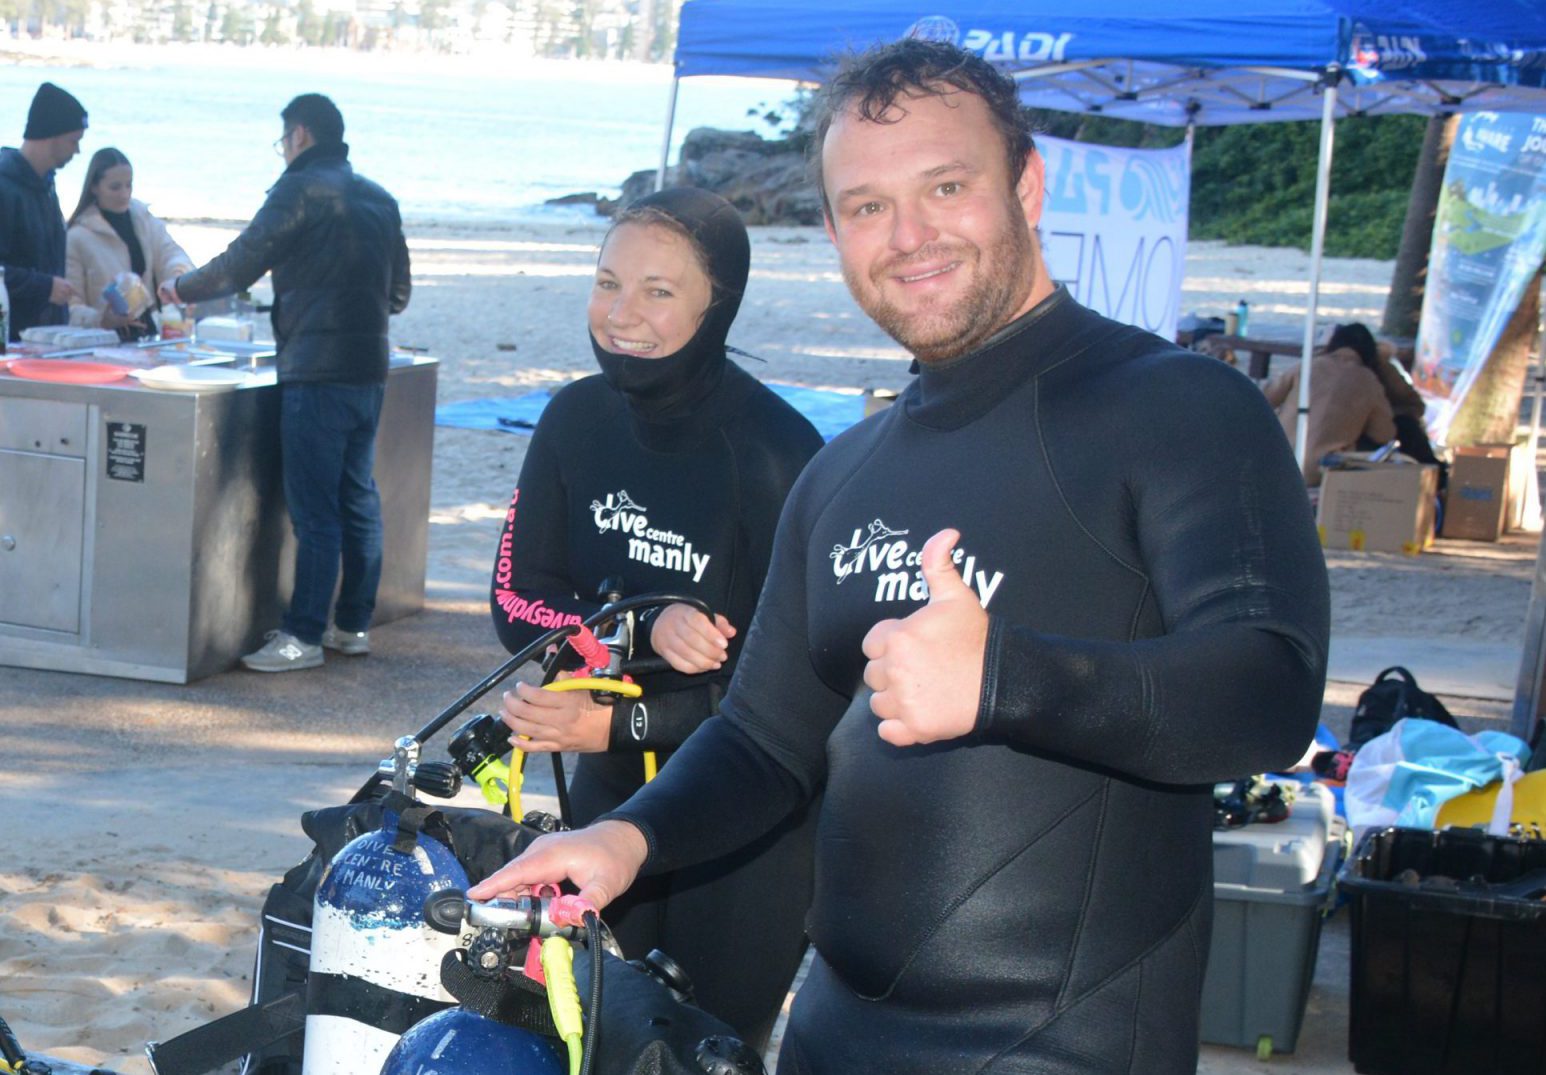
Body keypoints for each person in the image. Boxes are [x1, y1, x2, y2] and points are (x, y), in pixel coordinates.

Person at [471, 40, 1329, 1074]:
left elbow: (1270, 691)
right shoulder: (845, 475)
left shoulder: (1177, 407)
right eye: (867, 206)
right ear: (833, 230)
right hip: (833, 1030)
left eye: (946, 186)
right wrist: (624, 842)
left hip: (1064, 1046)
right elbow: (762, 741)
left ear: (1026, 183)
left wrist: (1004, 678)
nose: (908, 235)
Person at [489, 187, 823, 1049]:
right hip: (606, 796)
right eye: (608, 282)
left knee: (704, 1050)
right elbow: (515, 600)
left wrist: (618, 717)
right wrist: (640, 629)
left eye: (660, 291)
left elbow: (800, 698)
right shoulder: (574, 419)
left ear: (721, 305)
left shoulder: (780, 458)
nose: (621, 315)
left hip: (746, 834)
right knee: (588, 1035)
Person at [161, 94, 411, 672]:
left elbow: (242, 261)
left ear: (299, 135)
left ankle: (301, 635)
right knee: (357, 498)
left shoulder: (297, 190)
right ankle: (351, 624)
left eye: (283, 141)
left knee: (315, 510)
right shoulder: (380, 198)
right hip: (369, 367)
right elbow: (398, 294)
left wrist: (182, 288)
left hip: (314, 369)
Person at [66, 147, 194, 340]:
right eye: (115, 187)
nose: (124, 194)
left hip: (150, 333)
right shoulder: (77, 237)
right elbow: (70, 304)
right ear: (94, 187)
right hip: (104, 342)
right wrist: (101, 319)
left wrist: (177, 280)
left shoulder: (144, 220)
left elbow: (172, 255)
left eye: (129, 185)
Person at [1, 82, 86, 340]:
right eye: (73, 141)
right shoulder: (5, 188)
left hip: (43, 338)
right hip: (10, 342)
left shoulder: (46, 186)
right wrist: (44, 287)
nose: (78, 150)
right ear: (52, 134)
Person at [1263, 323, 1398, 485]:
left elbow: (1266, 398)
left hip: (1280, 460)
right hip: (1322, 472)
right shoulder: (1369, 380)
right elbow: (1384, 434)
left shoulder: (1308, 366)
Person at [1326, 321, 1443, 467]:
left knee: (1406, 427)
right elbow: (1384, 434)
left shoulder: (1304, 369)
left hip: (1298, 459)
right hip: (1333, 455)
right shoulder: (1366, 376)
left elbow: (1412, 406)